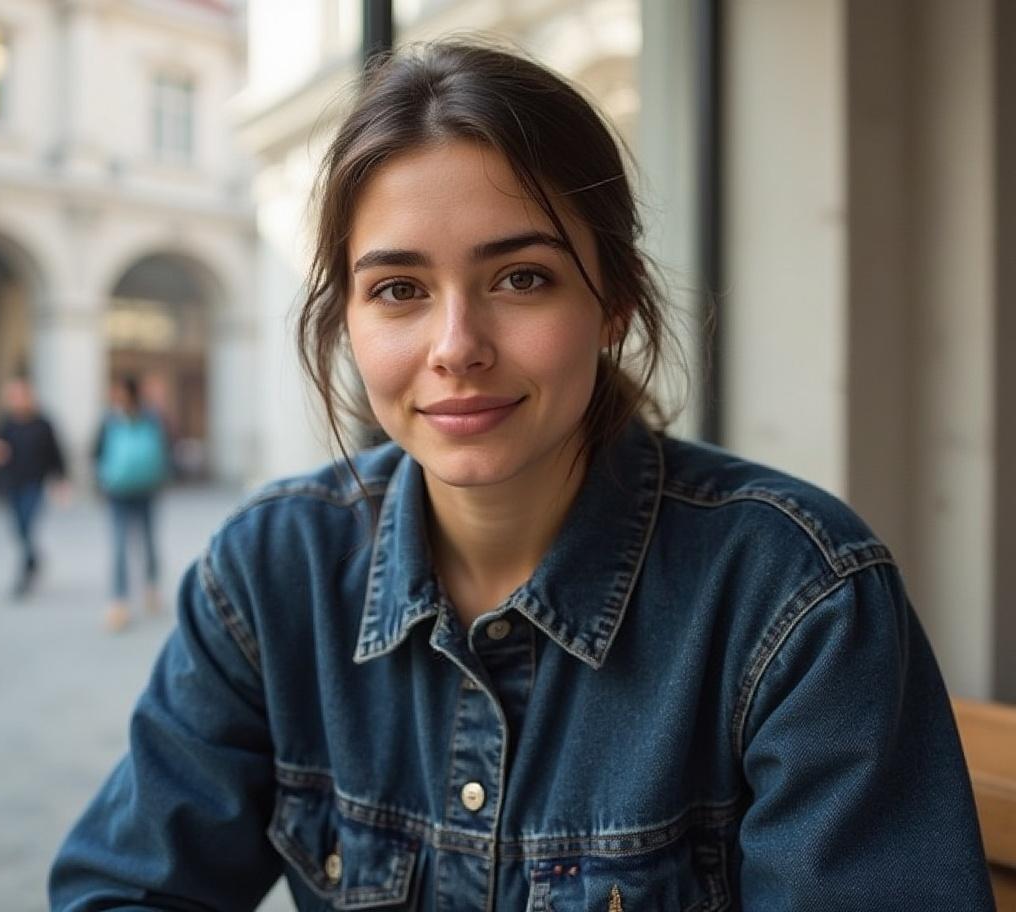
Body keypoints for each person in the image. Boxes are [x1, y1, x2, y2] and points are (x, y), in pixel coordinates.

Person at [50, 41, 993, 910]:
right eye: (399, 291)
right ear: (348, 320)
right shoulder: (273, 570)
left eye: (522, 279)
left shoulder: (796, 598)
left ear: (614, 298)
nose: (456, 348)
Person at [92, 375, 168, 632]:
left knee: (148, 541)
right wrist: (100, 481)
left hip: (146, 488)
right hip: (118, 491)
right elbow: (96, 451)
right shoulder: (109, 420)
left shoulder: (152, 418)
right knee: (119, 545)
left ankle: (151, 586)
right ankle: (119, 600)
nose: (118, 398)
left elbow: (165, 447)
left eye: (122, 393)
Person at [0, 375, 67, 598]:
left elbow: (56, 454)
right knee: (19, 529)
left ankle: (24, 575)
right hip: (11, 482)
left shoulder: (43, 424)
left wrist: (61, 480)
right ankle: (33, 559)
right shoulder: (6, 424)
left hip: (35, 483)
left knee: (27, 524)